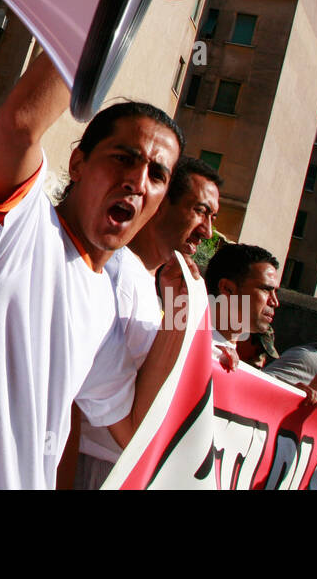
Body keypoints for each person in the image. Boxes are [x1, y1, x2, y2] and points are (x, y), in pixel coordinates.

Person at [0, 0, 259, 489]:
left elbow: (130, 427)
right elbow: (18, 124)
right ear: (78, 163)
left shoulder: (110, 295)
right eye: (124, 158)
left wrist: (191, 335)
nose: (137, 180)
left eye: (156, 174)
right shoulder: (18, 227)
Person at [63, 157, 223, 489]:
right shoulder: (116, 272)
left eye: (213, 218)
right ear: (161, 203)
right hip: (92, 468)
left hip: (129, 467)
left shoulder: (160, 288)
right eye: (201, 211)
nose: (207, 231)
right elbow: (74, 399)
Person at [203, 242, 279, 363]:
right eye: (266, 290)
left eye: (275, 292)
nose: (274, 302)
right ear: (227, 288)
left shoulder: (233, 362)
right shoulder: (182, 344)